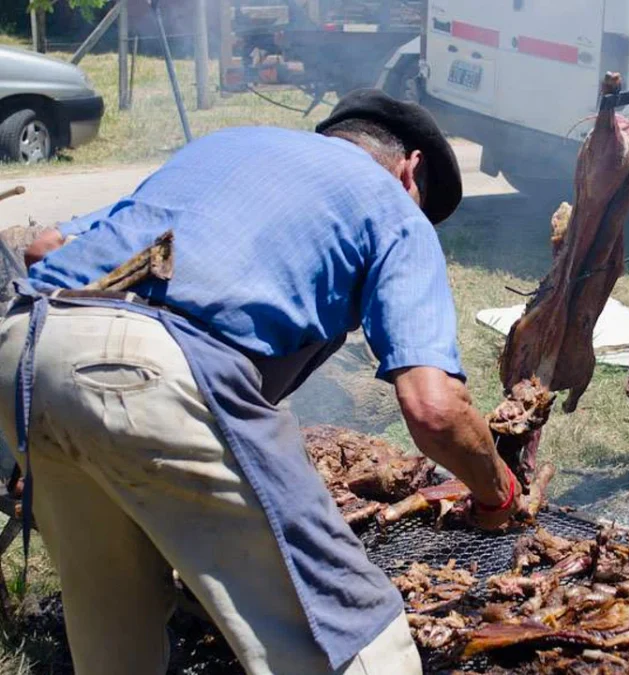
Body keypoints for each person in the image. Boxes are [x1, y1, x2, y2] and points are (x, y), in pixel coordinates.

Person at [0, 90, 524, 675]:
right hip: (154, 371)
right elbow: (434, 408)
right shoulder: (394, 207)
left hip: (28, 349)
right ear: (413, 170)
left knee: (115, 623)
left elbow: (47, 245)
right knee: (353, 632)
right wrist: (496, 490)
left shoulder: (226, 146)